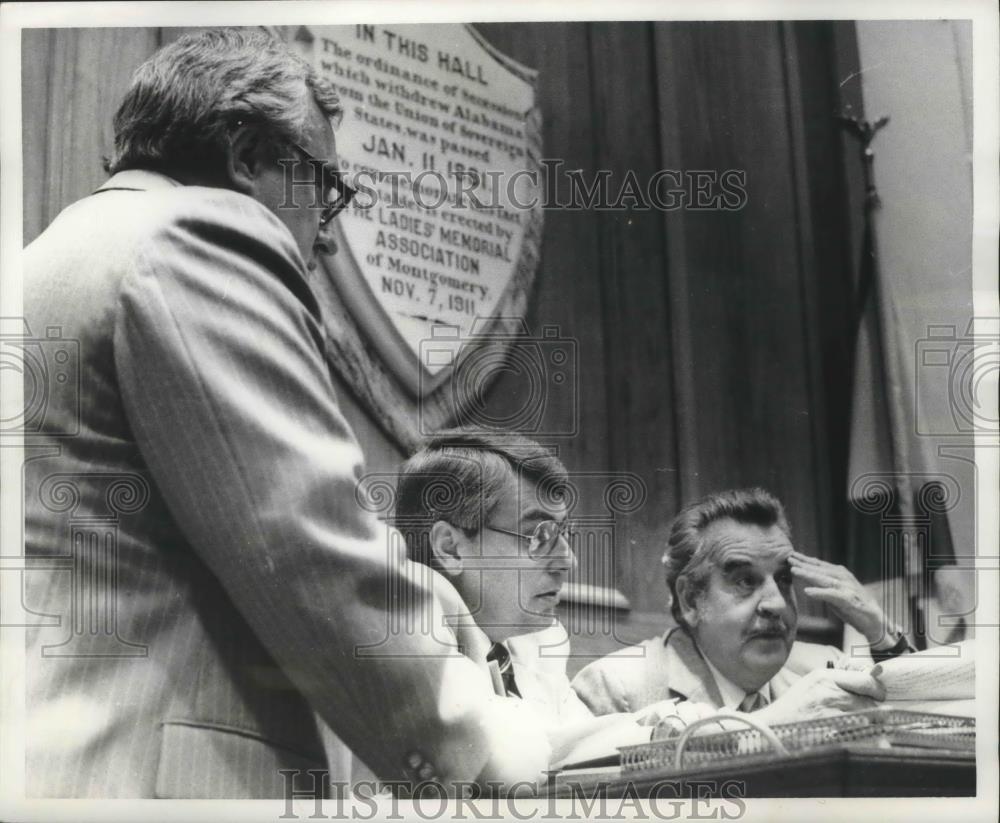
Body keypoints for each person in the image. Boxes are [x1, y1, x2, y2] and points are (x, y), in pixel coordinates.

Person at [21, 29, 549, 798]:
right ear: (245, 156)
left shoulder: (50, 255)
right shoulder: (199, 237)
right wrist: (483, 740)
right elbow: (302, 544)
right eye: (323, 188)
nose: (327, 236)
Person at [392, 430, 657, 766]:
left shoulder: (536, 642)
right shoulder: (408, 637)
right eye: (537, 535)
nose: (568, 561)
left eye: (562, 533)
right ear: (450, 547)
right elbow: (509, 760)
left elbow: (572, 746)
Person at [572, 488, 910, 726]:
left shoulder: (825, 668)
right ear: (691, 600)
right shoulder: (617, 688)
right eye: (745, 581)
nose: (777, 603)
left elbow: (926, 734)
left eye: (783, 579)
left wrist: (880, 632)